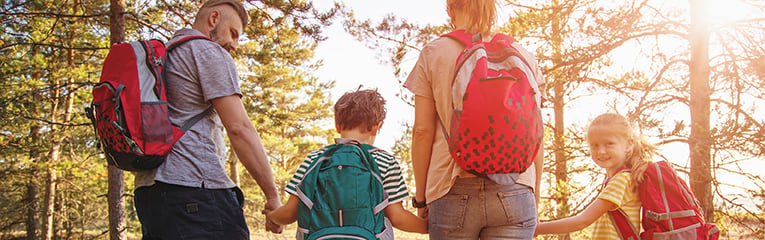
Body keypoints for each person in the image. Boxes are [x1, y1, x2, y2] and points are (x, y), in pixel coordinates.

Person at [133, 0, 282, 239]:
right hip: (195, 192)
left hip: (150, 193)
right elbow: (239, 129)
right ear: (213, 19)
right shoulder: (207, 52)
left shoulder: (165, 55)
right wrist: (272, 195)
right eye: (233, 34)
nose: (234, 45)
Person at [403, 0, 545, 239]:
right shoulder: (523, 55)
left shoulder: (434, 52)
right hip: (517, 188)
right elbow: (536, 132)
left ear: (450, 9)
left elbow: (422, 132)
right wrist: (534, 191)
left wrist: (421, 198)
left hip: (450, 188)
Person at [265, 89, 428, 238]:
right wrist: (428, 226)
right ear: (375, 127)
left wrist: (272, 216)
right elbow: (397, 216)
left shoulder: (315, 158)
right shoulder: (385, 161)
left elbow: (290, 212)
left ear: (337, 126)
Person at [534, 113, 655, 239]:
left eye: (609, 144)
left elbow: (583, 221)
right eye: (595, 145)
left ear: (629, 144)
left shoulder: (621, 180)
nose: (601, 151)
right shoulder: (619, 179)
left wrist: (535, 228)